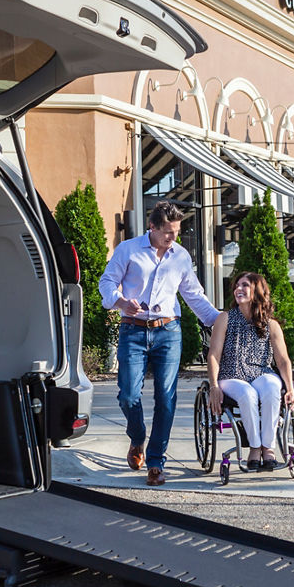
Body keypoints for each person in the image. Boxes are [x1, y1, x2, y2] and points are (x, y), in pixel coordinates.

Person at [99, 201, 219, 486]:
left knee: (166, 399)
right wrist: (119, 301)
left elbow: (193, 294)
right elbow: (106, 282)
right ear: (151, 227)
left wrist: (220, 321)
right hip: (133, 330)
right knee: (128, 395)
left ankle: (155, 461)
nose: (172, 238)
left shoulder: (180, 257)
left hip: (168, 331)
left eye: (176, 232)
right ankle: (137, 437)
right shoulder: (128, 249)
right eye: (167, 232)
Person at [207, 272, 294, 472]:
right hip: (232, 375)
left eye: (245, 285)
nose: (239, 289)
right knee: (248, 394)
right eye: (237, 285)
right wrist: (213, 385)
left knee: (273, 387)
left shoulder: (270, 324)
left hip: (260, 372)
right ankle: (255, 448)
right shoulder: (225, 319)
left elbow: (282, 360)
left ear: (257, 291)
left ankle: (269, 447)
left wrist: (290, 389)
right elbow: (213, 355)